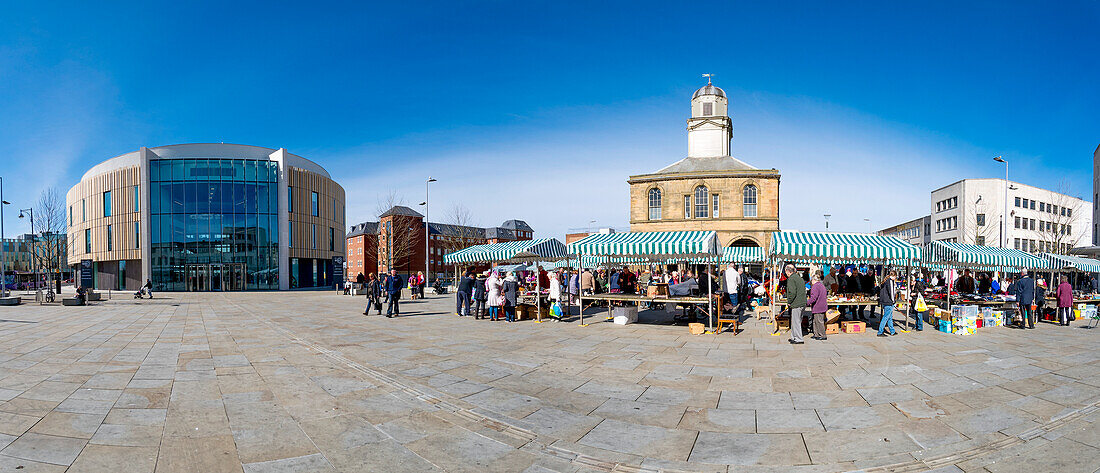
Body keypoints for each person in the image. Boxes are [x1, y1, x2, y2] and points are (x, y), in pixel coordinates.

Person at [785, 264, 807, 345]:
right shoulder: (799, 278)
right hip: (802, 302)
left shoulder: (791, 279)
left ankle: (798, 338)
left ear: (788, 271)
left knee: (796, 321)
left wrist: (789, 301)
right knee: (796, 321)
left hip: (796, 303)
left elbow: (792, 292)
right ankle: (794, 337)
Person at [808, 270, 829, 341]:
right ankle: (816, 334)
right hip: (821, 306)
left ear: (813, 280)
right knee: (815, 321)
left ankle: (822, 335)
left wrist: (807, 303)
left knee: (819, 321)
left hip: (818, 307)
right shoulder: (821, 285)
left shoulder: (815, 286)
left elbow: (814, 297)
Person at [877, 270, 898, 337]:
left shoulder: (885, 280)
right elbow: (891, 292)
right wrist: (893, 301)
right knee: (886, 317)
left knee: (889, 317)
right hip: (888, 301)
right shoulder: (890, 281)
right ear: (894, 276)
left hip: (884, 301)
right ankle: (880, 331)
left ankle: (892, 331)